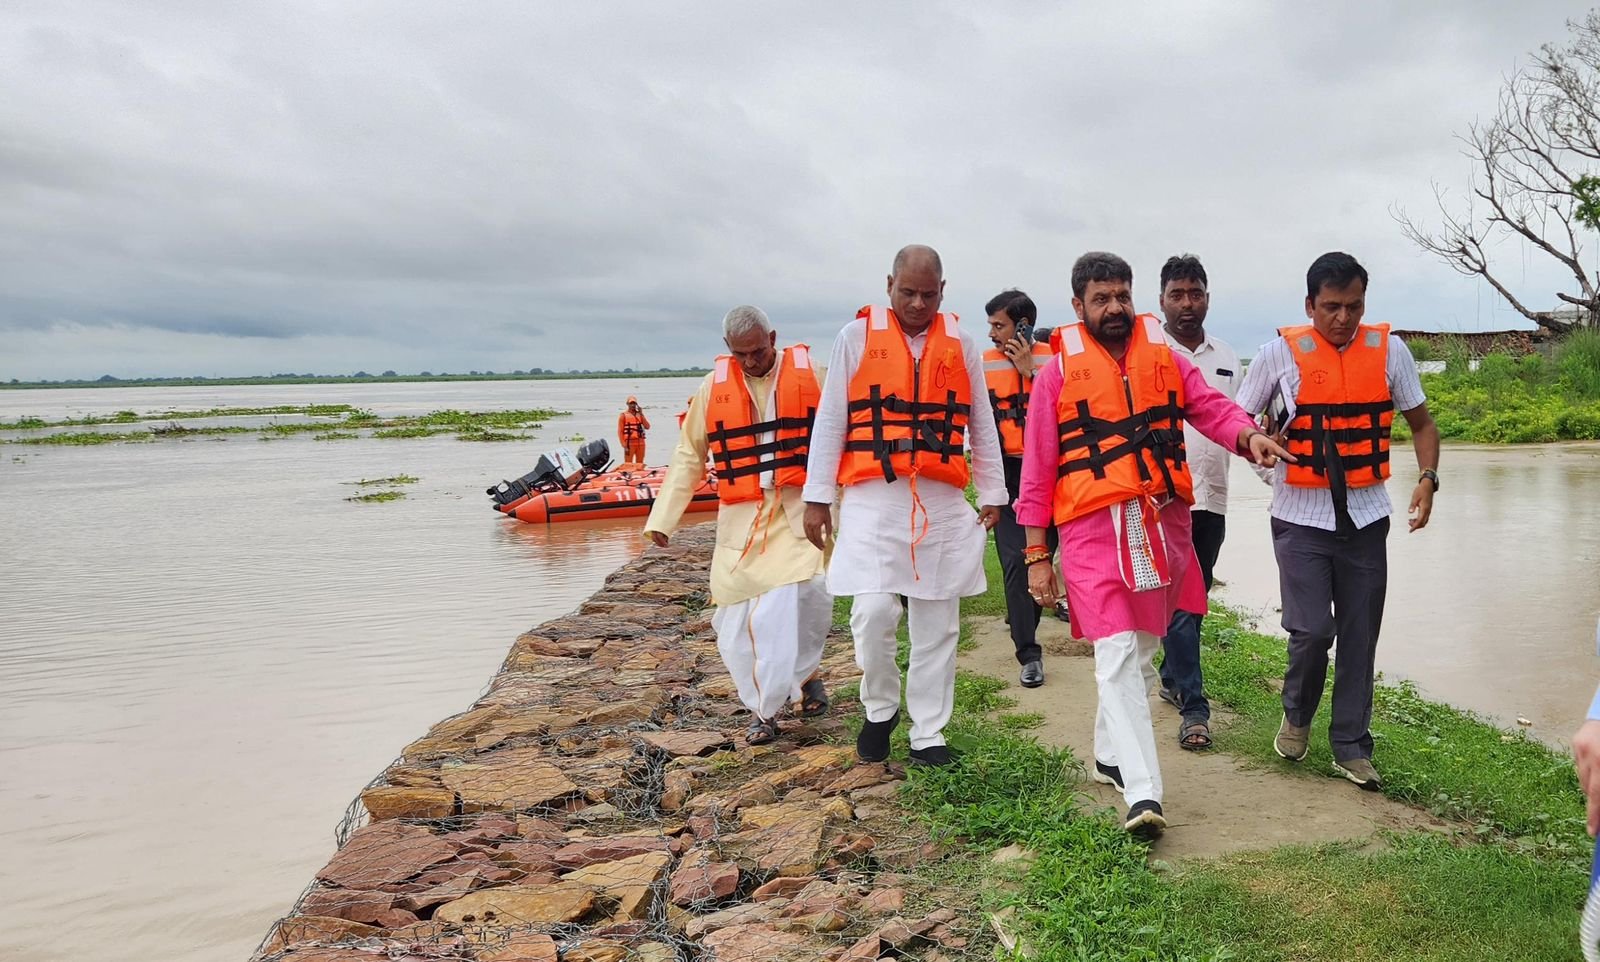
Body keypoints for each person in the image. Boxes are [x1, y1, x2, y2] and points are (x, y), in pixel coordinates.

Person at [1018, 251, 1289, 838]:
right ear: (1078, 306)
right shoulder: (1056, 374)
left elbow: (1211, 407)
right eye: (1101, 299)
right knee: (1116, 651)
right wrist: (1037, 556)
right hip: (1091, 529)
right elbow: (1036, 472)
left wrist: (1248, 437)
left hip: (1161, 522)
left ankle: (1107, 756)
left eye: (1122, 296)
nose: (1115, 308)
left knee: (1140, 650)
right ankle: (1143, 792)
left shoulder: (1165, 357)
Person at [1235, 251, 1440, 791]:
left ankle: (1350, 746)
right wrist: (1263, 457)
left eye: (1354, 306)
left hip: (1367, 519)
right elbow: (1237, 420)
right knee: (1311, 631)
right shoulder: (1276, 356)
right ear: (1310, 305)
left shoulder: (1391, 352)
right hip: (1299, 519)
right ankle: (1297, 714)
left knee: (1358, 635)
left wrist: (1428, 478)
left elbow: (1422, 424)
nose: (1343, 318)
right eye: (1331, 307)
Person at [802, 244, 1008, 768]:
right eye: (908, 292)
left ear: (943, 291)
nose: (918, 304)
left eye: (928, 294)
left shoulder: (961, 344)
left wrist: (993, 493)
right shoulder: (854, 338)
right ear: (889, 284)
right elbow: (831, 420)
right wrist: (817, 497)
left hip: (940, 498)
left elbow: (982, 424)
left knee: (938, 622)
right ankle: (880, 708)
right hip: (874, 498)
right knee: (872, 613)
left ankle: (928, 734)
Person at [643, 306, 833, 745]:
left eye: (758, 351)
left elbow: (842, 434)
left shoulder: (815, 375)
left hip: (799, 510)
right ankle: (764, 709)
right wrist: (663, 519)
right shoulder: (712, 388)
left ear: (773, 338)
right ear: (728, 349)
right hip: (742, 520)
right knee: (736, 620)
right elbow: (689, 456)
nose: (750, 362)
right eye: (740, 354)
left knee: (806, 600)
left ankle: (799, 680)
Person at [1153, 255, 1241, 752]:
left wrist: (1277, 472)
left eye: (1195, 294)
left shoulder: (1226, 356)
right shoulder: (1149, 354)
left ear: (1207, 297)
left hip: (1214, 498)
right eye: (1177, 295)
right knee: (1182, 604)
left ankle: (1172, 676)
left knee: (1197, 598)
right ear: (1161, 300)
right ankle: (1194, 708)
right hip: (1165, 500)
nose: (1187, 304)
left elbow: (1236, 420)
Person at [982, 289, 1058, 688]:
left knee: (1041, 560)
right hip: (1009, 475)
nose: (992, 334)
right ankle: (1028, 653)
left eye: (999, 325)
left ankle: (1027, 618)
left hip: (1054, 476)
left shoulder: (1057, 361)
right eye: (991, 325)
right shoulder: (984, 364)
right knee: (1016, 562)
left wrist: (1031, 373)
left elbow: (1071, 408)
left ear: (1023, 326)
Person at [618, 397, 650, 464]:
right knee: (628, 464)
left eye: (634, 403)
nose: (633, 405)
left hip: (641, 443)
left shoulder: (639, 415)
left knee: (640, 464)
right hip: (629, 444)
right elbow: (620, 431)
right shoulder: (623, 415)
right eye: (631, 403)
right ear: (627, 404)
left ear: (636, 404)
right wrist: (623, 444)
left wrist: (641, 414)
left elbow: (647, 426)